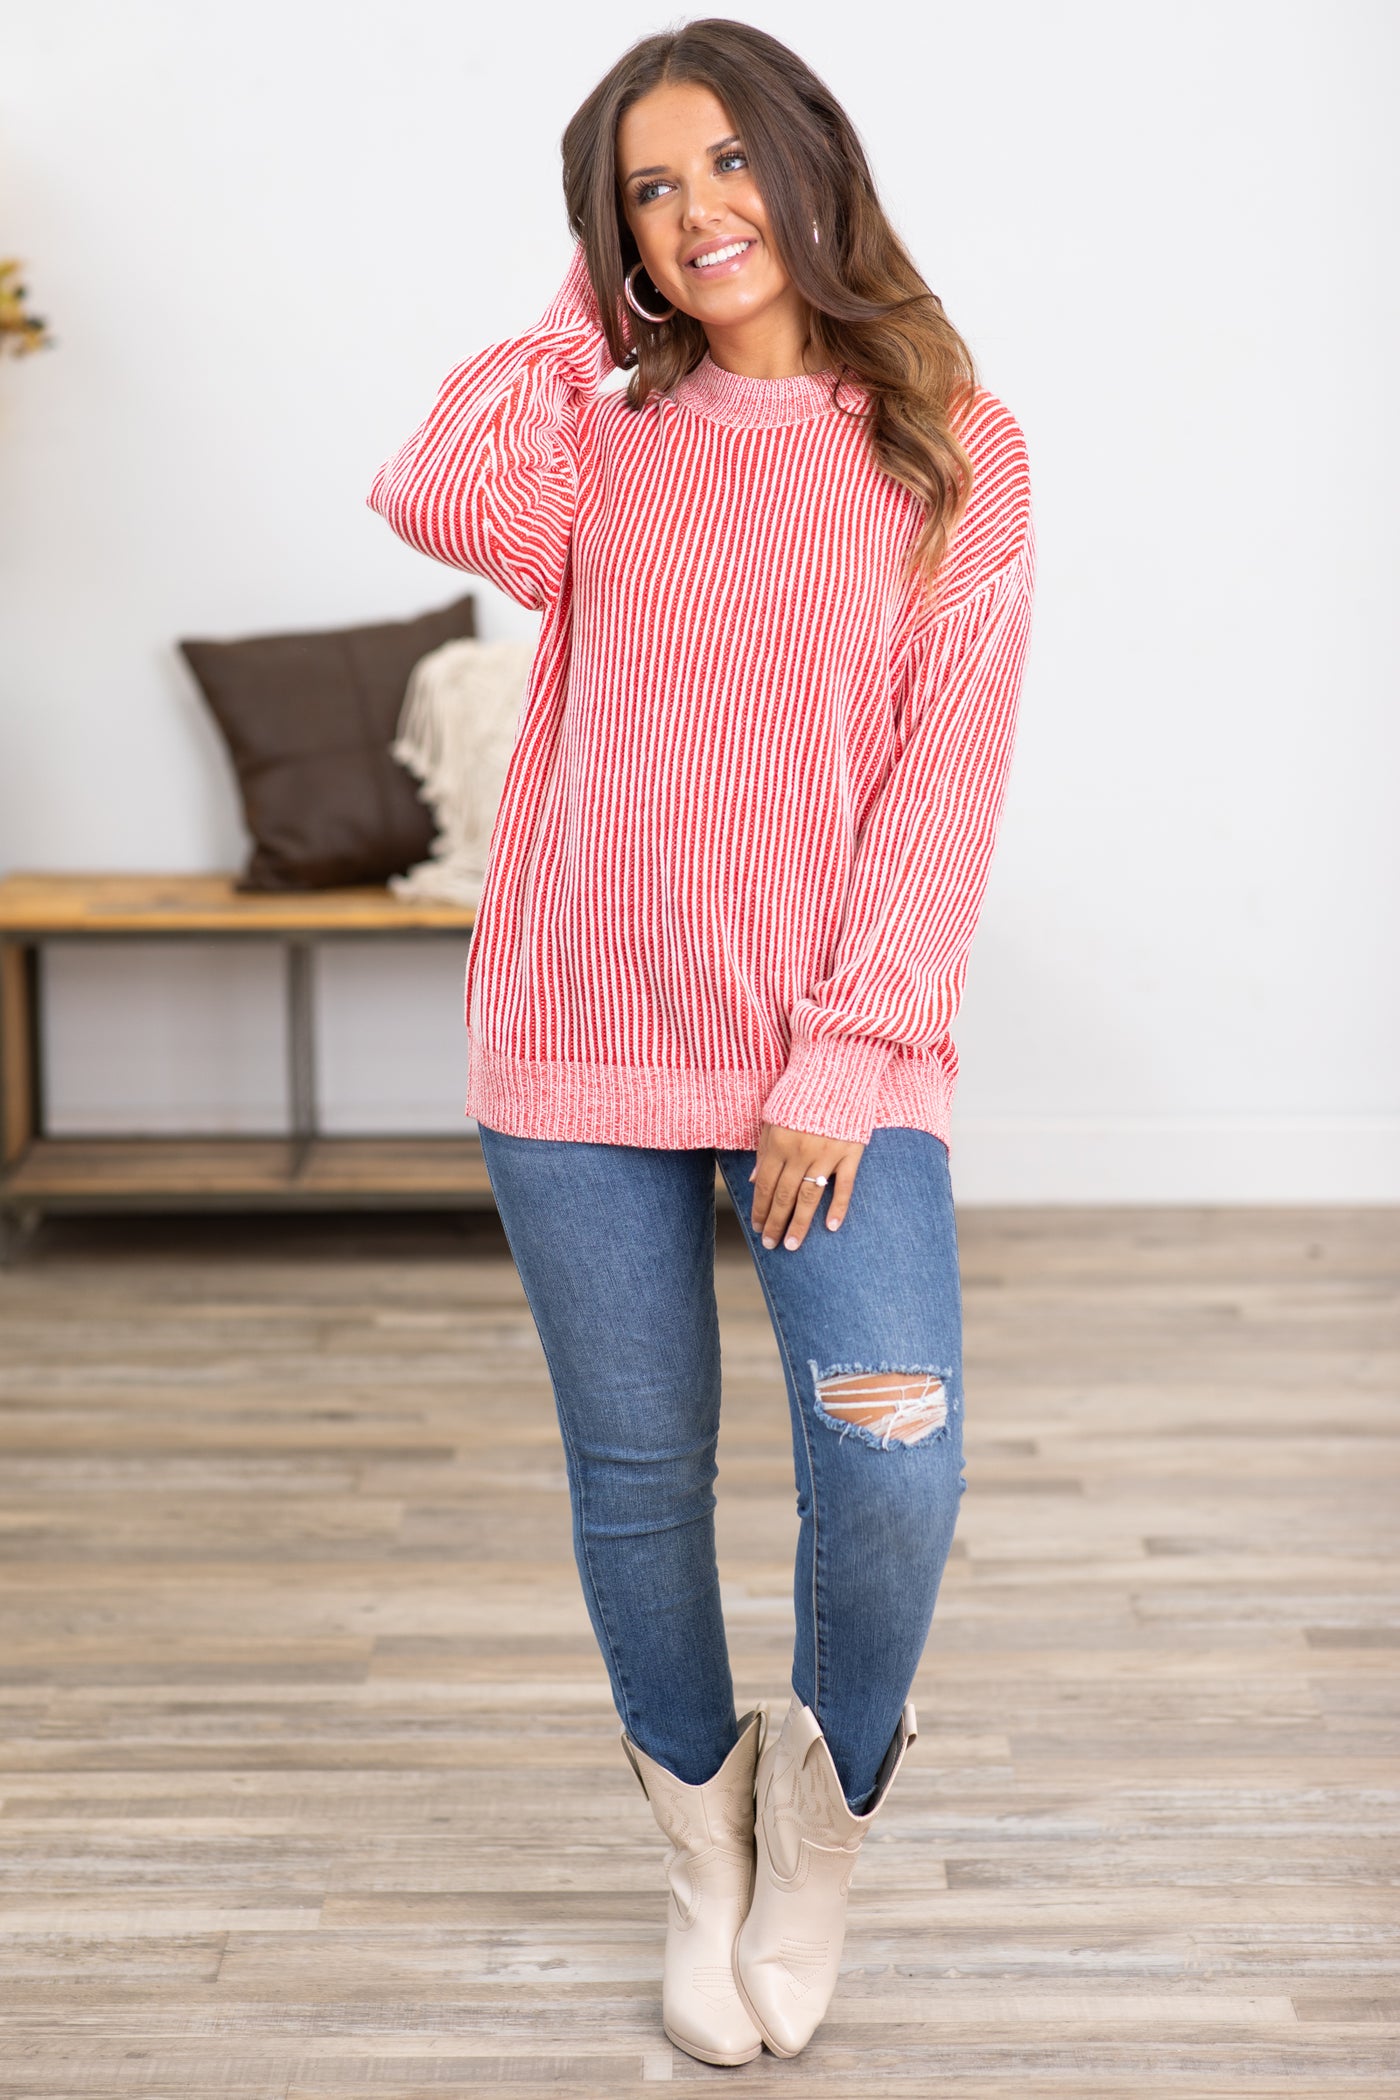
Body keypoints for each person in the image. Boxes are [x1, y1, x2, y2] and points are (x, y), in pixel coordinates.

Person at [367, 15, 1036, 2067]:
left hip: (835, 1061)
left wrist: (839, 1059)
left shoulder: (950, 441)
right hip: (577, 1035)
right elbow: (427, 488)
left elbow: (944, 784)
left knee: (891, 1458)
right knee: (641, 1477)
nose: (698, 212)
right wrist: (590, 303)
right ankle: (699, 1855)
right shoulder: (599, 438)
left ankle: (816, 1837)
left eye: (730, 164)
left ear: (811, 166)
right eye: (649, 189)